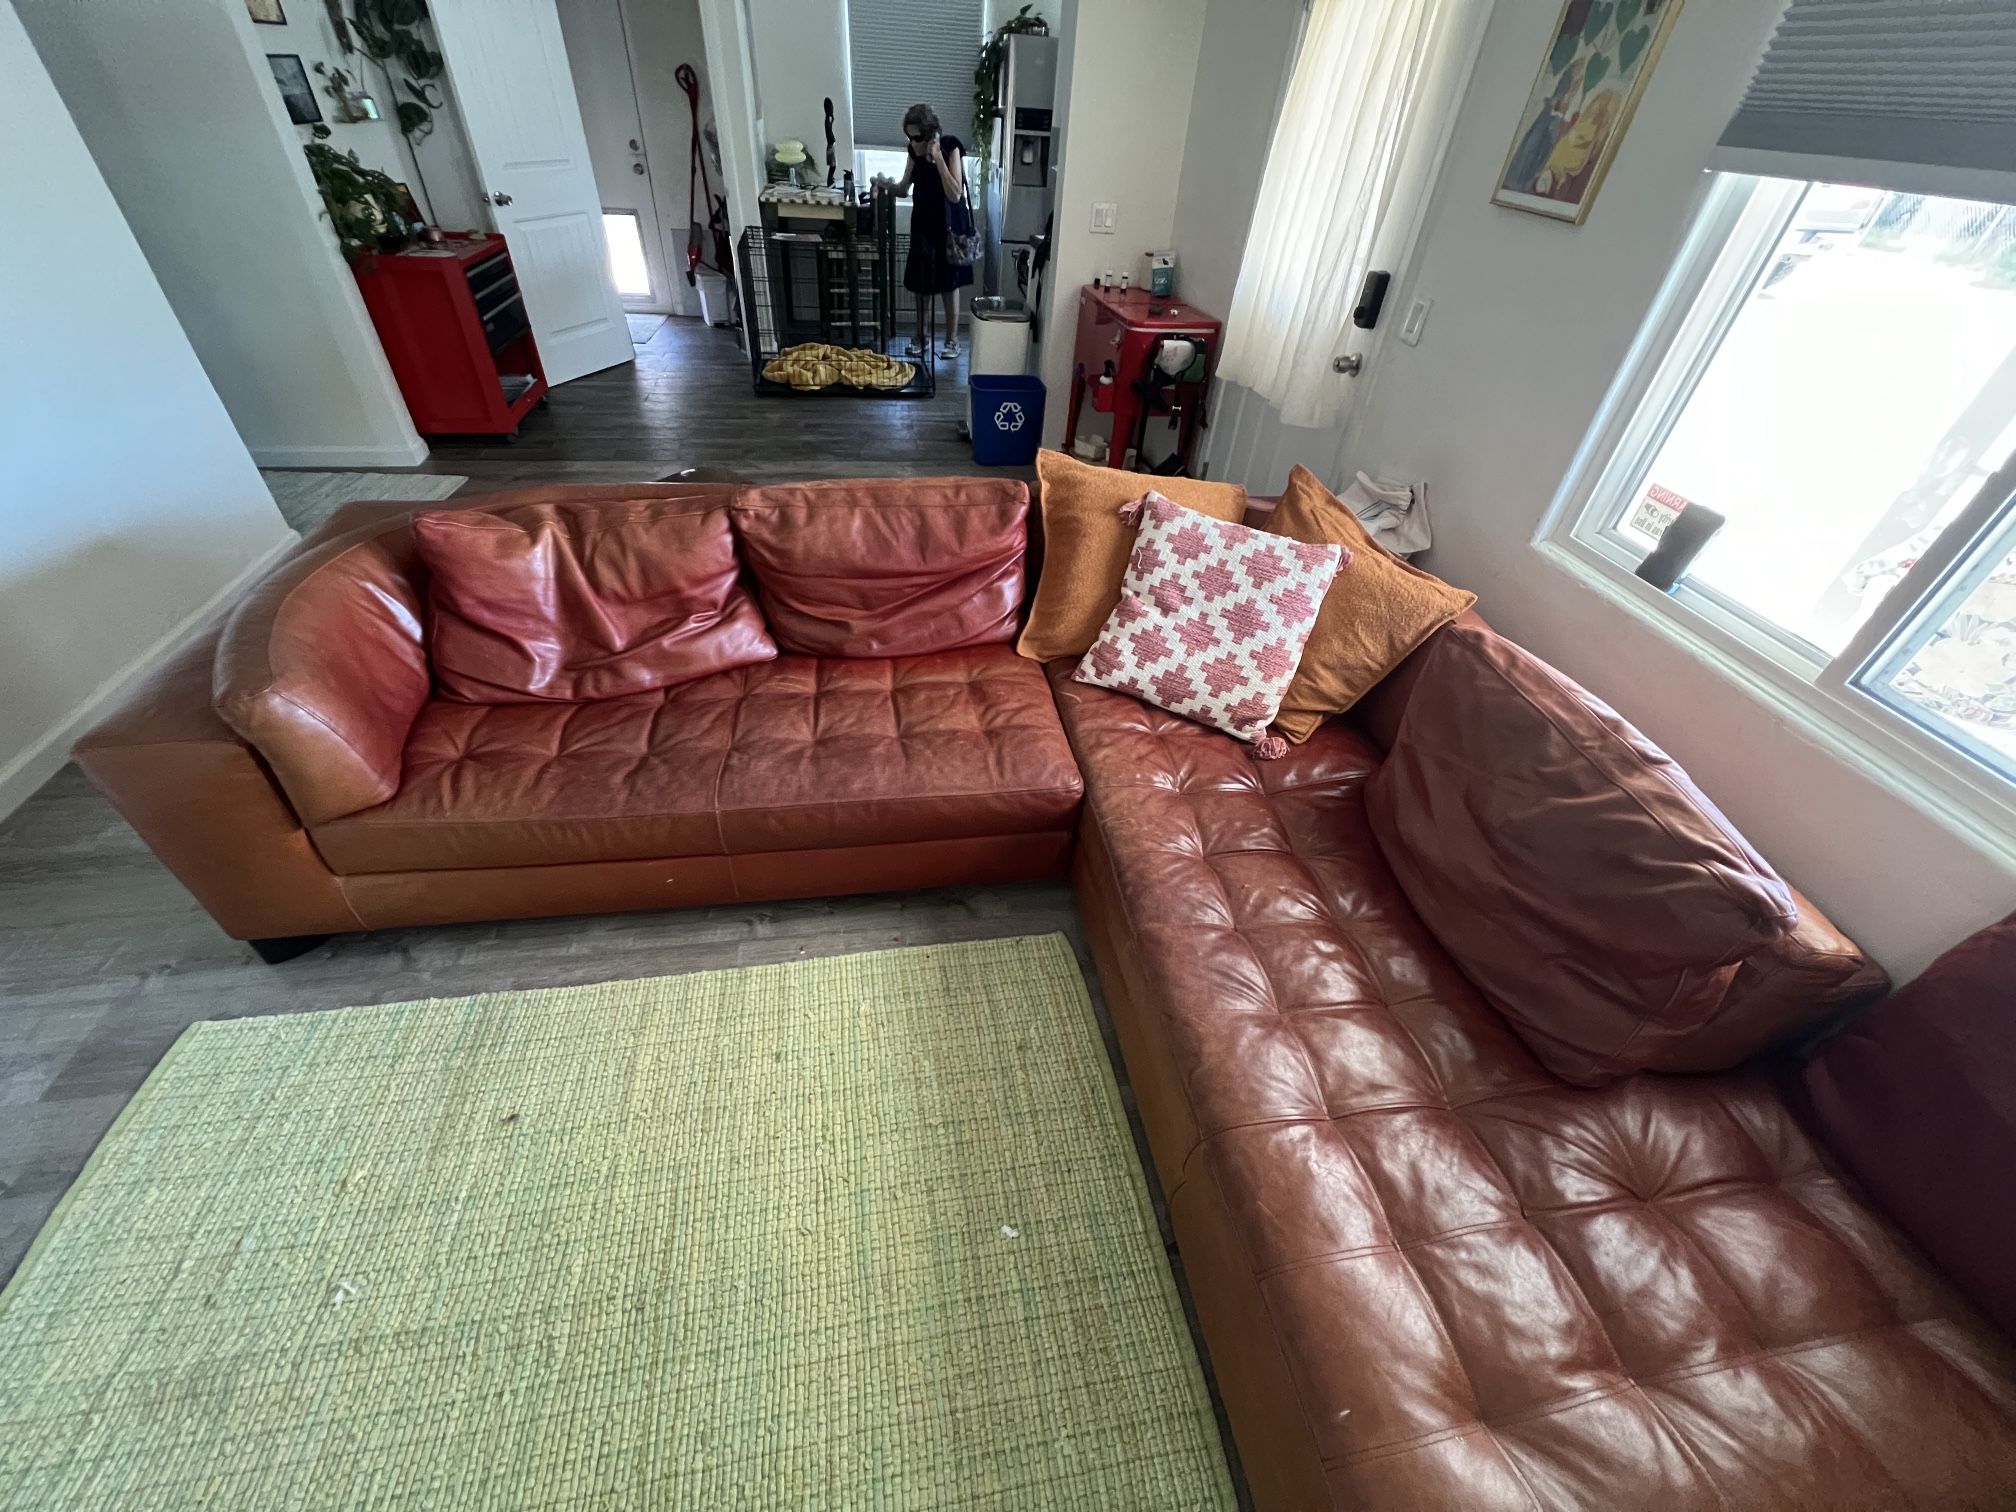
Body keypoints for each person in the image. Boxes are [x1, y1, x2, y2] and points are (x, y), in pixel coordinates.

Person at [883, 103, 971, 359]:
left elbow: (954, 194)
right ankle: (922, 337)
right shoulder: (912, 151)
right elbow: (903, 187)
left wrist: (938, 159)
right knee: (920, 286)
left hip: (948, 226)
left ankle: (952, 340)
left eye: (918, 137)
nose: (913, 142)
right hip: (921, 225)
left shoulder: (951, 146)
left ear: (931, 133)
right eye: (909, 137)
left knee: (949, 284)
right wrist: (885, 186)